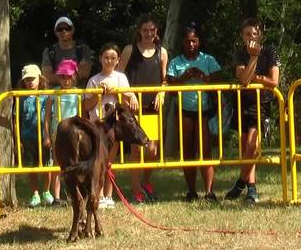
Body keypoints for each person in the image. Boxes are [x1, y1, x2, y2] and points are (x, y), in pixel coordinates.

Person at [224, 19, 280, 204]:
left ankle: (242, 183)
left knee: (252, 146)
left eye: (255, 34)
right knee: (246, 149)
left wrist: (256, 72)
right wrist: (253, 59)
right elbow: (244, 80)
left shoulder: (270, 51)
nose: (251, 38)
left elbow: (274, 81)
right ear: (242, 36)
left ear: (261, 35)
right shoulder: (239, 54)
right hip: (242, 103)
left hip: (261, 103)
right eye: (247, 34)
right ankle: (250, 188)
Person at [166, 23, 221, 201]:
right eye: (188, 41)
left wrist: (203, 77)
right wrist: (184, 77)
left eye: (194, 41)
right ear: (183, 42)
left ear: (199, 42)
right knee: (188, 152)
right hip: (184, 111)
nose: (191, 44)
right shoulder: (175, 63)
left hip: (205, 111)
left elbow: (218, 83)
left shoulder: (208, 60)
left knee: (206, 152)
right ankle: (191, 191)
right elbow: (171, 89)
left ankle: (210, 192)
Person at [118, 15, 168, 203]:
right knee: (136, 151)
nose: (149, 33)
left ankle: (146, 182)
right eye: (145, 30)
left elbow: (165, 80)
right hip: (133, 108)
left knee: (152, 151)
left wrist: (162, 93)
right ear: (139, 30)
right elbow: (119, 76)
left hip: (152, 107)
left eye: (152, 30)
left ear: (157, 31)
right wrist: (129, 95)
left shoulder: (162, 52)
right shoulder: (130, 50)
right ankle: (136, 189)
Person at [83, 42, 138, 209]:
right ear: (100, 58)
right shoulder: (94, 80)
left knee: (109, 162)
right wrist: (99, 93)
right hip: (97, 127)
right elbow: (87, 106)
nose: (109, 61)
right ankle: (97, 195)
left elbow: (125, 103)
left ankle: (108, 195)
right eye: (106, 57)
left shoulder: (121, 78)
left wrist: (116, 92)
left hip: (114, 129)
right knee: (97, 162)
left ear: (118, 59)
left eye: (113, 58)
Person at [43, 59, 81, 205]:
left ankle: (74, 194)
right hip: (57, 132)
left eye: (69, 76)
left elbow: (83, 114)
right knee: (58, 163)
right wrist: (47, 135)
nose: (66, 80)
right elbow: (47, 116)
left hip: (74, 132)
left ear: (75, 76)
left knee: (74, 163)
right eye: (62, 76)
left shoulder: (79, 93)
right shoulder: (54, 94)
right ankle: (57, 197)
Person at [17, 64, 52, 207]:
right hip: (27, 137)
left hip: (44, 136)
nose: (30, 82)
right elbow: (17, 119)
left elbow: (50, 117)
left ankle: (47, 191)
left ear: (40, 79)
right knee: (31, 167)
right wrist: (17, 139)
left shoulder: (47, 96)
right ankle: (35, 194)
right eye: (27, 79)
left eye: (33, 79)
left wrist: (48, 136)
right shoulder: (20, 98)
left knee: (47, 165)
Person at [41, 16, 93, 86]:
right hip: (56, 95)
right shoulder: (49, 51)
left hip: (79, 95)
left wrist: (61, 77)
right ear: (55, 32)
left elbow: (85, 73)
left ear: (73, 30)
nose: (64, 31)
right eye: (60, 29)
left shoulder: (83, 49)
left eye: (67, 28)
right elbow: (47, 76)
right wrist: (69, 79)